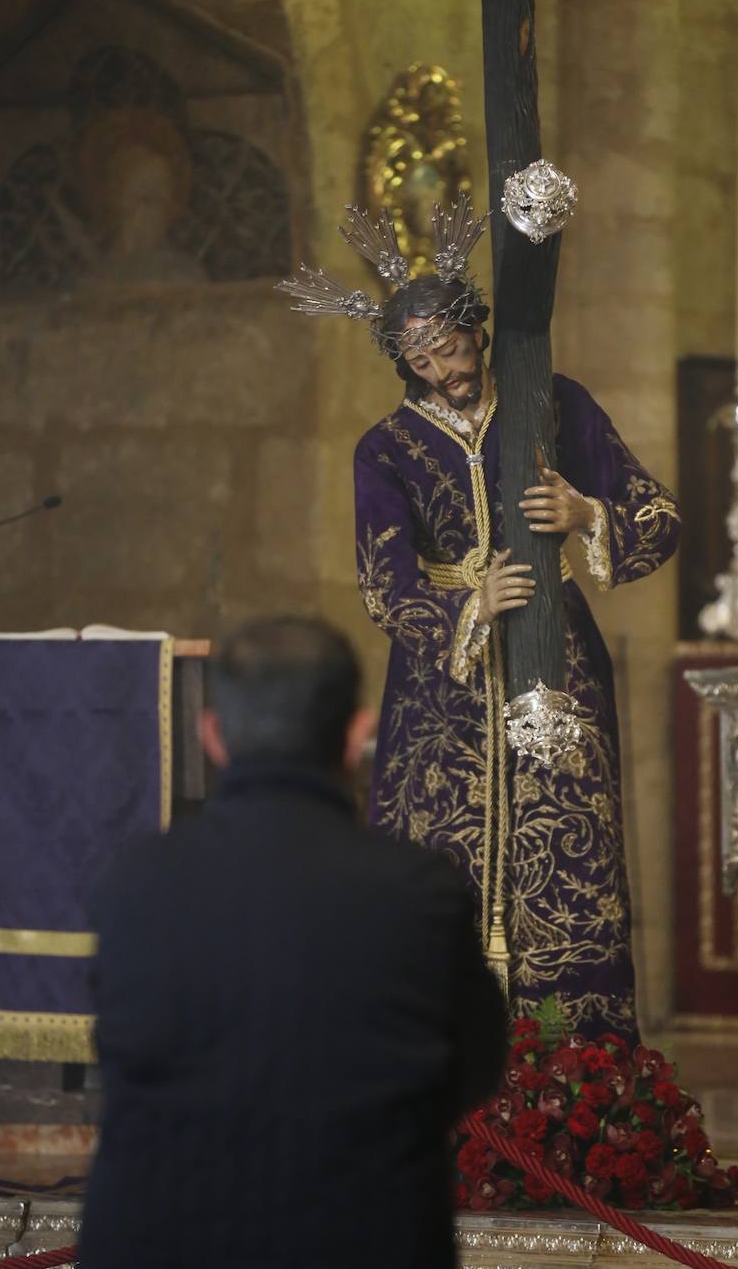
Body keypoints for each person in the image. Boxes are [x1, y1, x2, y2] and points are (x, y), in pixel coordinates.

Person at [279, 201, 679, 1039]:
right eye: (420, 360)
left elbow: (658, 514)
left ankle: (575, 1062)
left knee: (567, 851)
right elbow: (384, 585)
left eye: (451, 350)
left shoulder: (553, 403)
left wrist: (585, 514)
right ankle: (438, 1056)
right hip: (441, 688)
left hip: (556, 660)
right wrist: (470, 606)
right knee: (438, 860)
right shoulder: (385, 448)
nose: (442, 373)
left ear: (477, 331)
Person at [78, 615, 507, 1269]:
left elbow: (121, 1054)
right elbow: (474, 1067)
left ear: (213, 735)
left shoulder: (133, 884)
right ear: (358, 735)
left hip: (160, 1242)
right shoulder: (420, 890)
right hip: (364, 1240)